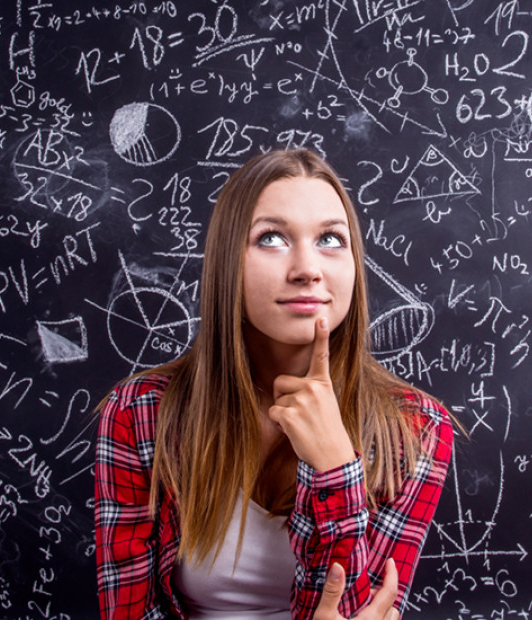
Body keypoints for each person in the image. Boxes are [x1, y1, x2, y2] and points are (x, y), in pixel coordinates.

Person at [94, 149, 457, 619]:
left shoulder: (415, 429)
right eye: (271, 238)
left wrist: (334, 471)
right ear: (228, 263)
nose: (308, 269)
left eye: (330, 238)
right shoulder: (139, 414)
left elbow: (353, 611)